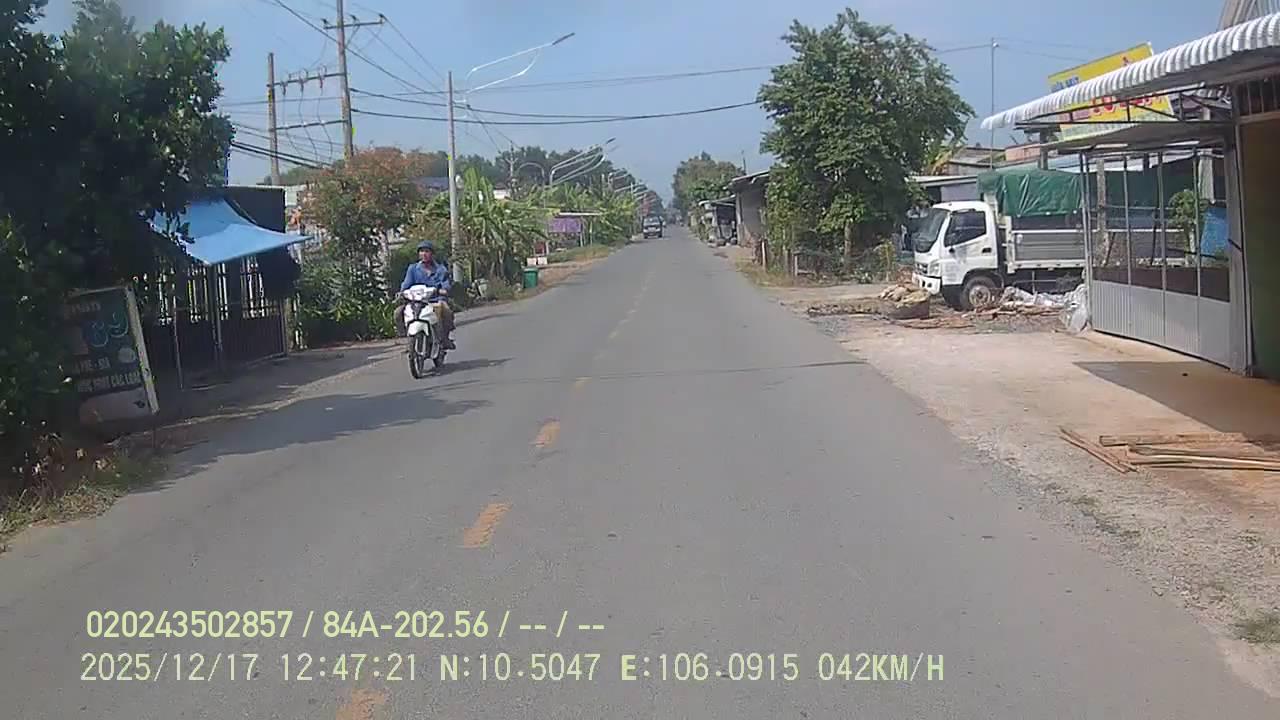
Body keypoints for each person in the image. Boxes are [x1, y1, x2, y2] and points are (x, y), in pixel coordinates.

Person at [396, 240, 455, 349]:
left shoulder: (440, 269)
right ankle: (408, 338)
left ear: (432, 254)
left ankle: (445, 338)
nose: (424, 254)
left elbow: (446, 284)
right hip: (416, 301)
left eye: (427, 251)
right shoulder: (413, 269)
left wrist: (443, 290)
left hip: (435, 300)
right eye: (421, 251)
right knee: (398, 312)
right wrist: (402, 292)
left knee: (446, 310)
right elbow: (406, 284)